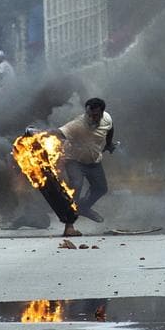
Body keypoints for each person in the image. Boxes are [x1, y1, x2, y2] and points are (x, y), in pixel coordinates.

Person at [51, 98, 116, 237]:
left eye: (95, 115)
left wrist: (109, 144)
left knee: (101, 188)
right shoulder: (78, 124)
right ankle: (69, 227)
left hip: (93, 161)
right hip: (74, 160)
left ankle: (84, 207)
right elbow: (58, 132)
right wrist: (38, 133)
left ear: (102, 113)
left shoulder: (107, 119)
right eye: (89, 114)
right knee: (76, 185)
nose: (91, 118)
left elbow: (110, 128)